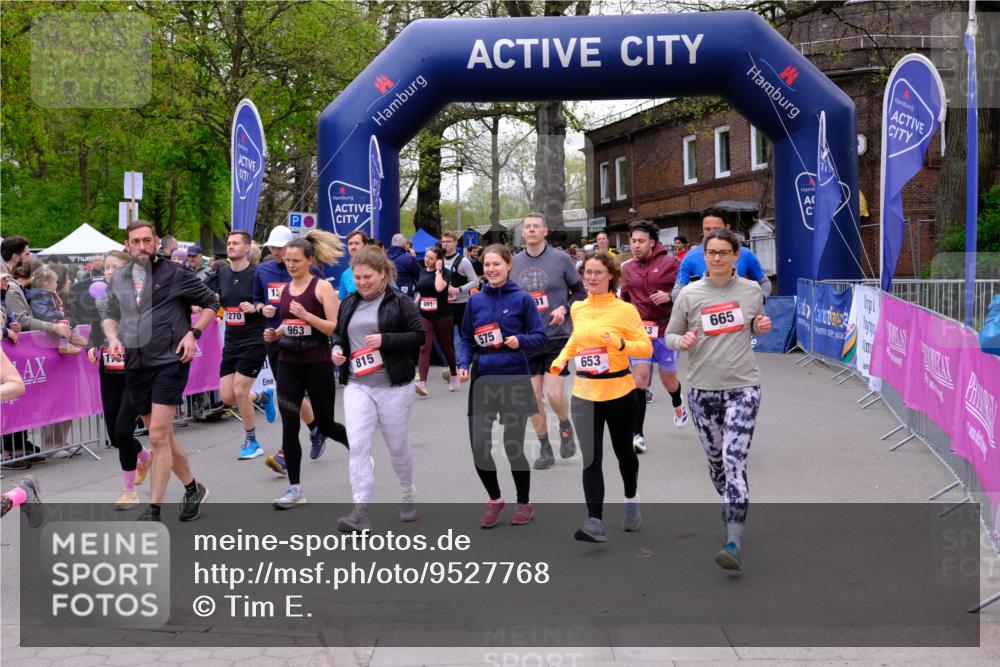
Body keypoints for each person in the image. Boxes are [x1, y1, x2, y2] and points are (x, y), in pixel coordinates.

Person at [665, 228, 771, 570]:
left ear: (735, 256)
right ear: (704, 256)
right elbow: (670, 335)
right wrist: (681, 342)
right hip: (701, 390)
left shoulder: (752, 291)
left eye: (724, 252)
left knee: (734, 458)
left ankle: (733, 540)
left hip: (743, 386)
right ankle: (730, 503)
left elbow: (753, 324)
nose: (718, 258)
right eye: (712, 252)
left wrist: (760, 327)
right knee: (717, 464)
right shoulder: (690, 295)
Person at [103, 221, 218, 522]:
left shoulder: (177, 274)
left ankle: (153, 509)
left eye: (147, 241)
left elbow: (210, 303)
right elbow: (110, 314)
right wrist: (113, 337)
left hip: (170, 361)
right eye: (135, 242)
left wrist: (193, 333)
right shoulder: (120, 279)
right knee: (164, 437)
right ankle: (193, 488)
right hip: (136, 364)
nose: (142, 247)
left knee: (156, 437)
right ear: (126, 245)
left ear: (156, 242)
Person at [551, 252, 652, 543]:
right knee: (591, 459)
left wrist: (620, 343)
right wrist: (560, 360)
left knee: (624, 455)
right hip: (584, 393)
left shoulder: (625, 310)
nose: (592, 277)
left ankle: (631, 497)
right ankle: (594, 520)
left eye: (598, 272)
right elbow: (576, 339)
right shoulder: (578, 308)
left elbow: (644, 348)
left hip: (619, 392)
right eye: (587, 273)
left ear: (611, 276)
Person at [332, 247, 425, 531]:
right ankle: (360, 512)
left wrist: (386, 340)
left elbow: (418, 336)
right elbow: (339, 333)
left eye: (367, 277)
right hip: (358, 384)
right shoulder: (349, 302)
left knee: (396, 447)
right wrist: (336, 349)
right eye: (357, 277)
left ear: (383, 275)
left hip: (393, 385)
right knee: (358, 445)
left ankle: (407, 492)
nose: (361, 282)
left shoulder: (400, 302)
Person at [458, 244, 547, 528]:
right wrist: (463, 363)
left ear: (509, 265)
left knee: (512, 446)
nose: (491, 269)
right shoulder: (475, 301)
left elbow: (540, 338)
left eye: (496, 264)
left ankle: (524, 502)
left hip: (513, 376)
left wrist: (520, 340)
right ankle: (495, 499)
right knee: (479, 445)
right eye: (486, 265)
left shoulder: (522, 300)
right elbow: (466, 338)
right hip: (483, 377)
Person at [264, 231, 350, 509]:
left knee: (325, 423)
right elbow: (288, 323)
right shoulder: (286, 290)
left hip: (317, 364)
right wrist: (275, 333)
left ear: (309, 260)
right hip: (288, 364)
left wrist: (308, 316)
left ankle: (358, 451)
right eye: (287, 260)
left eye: (296, 261)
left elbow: (335, 327)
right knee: (289, 424)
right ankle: (295, 490)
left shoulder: (321, 287)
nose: (290, 265)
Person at [511, 212, 587, 470]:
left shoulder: (561, 259)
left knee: (554, 393)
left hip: (556, 336)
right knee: (532, 397)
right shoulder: (514, 263)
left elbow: (579, 291)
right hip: (528, 339)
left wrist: (565, 308)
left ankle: (565, 426)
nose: (531, 230)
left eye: (536, 227)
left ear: (545, 231)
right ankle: (545, 448)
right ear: (523, 233)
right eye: (527, 227)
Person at [252, 225, 327, 471]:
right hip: (276, 339)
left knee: (293, 397)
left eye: (280, 247)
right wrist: (263, 308)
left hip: (308, 344)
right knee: (289, 397)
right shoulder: (262, 270)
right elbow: (257, 299)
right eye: (272, 248)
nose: (276, 252)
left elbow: (322, 304)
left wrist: (307, 316)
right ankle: (315, 429)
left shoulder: (310, 270)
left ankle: (293, 448)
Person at [84, 250, 152, 509]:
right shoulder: (101, 299)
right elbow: (94, 327)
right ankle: (144, 456)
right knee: (114, 436)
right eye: (107, 268)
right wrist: (92, 346)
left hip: (135, 370)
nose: (110, 272)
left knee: (124, 429)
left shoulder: (140, 297)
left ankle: (128, 491)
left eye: (115, 267)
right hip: (109, 369)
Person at [620, 220, 688, 454]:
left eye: (640, 241)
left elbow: (686, 292)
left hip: (665, 330)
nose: (636, 245)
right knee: (639, 381)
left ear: (652, 242)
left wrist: (669, 297)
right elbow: (625, 299)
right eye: (633, 241)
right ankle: (637, 434)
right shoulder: (627, 268)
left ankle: (678, 403)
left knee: (669, 381)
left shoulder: (671, 263)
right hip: (639, 333)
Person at [217, 231, 275, 460]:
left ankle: (251, 440)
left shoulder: (259, 273)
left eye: (235, 243)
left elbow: (271, 302)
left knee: (240, 390)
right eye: (229, 243)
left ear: (247, 248)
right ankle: (263, 397)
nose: (230, 247)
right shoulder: (222, 272)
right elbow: (221, 297)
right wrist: (215, 309)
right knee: (227, 398)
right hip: (231, 340)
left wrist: (255, 306)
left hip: (254, 338)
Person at [673, 208, 771, 299]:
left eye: (716, 229)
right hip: (705, 313)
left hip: (740, 312)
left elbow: (765, 283)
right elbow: (677, 291)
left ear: (727, 227)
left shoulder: (745, 254)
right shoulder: (691, 256)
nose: (711, 233)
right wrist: (693, 307)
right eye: (707, 229)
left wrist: (757, 301)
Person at [414, 246, 457, 396]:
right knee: (424, 347)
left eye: (431, 258)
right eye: (426, 256)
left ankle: (453, 373)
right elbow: (421, 289)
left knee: (446, 347)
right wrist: (415, 303)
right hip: (424, 314)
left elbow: (439, 288)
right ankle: (422, 383)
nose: (427, 260)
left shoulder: (445, 273)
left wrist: (438, 270)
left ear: (438, 260)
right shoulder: (422, 271)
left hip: (442, 315)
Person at [440, 232, 479, 384]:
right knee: (447, 338)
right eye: (443, 241)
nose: (445, 244)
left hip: (462, 304)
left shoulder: (463, 262)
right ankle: (453, 368)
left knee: (465, 336)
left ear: (455, 243)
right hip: (445, 305)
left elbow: (475, 282)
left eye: (448, 241)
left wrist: (459, 289)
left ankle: (467, 364)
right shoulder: (440, 261)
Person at [24, 266, 83, 354]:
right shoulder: (39, 296)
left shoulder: (45, 294)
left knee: (68, 321)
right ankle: (66, 344)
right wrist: (59, 314)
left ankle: (71, 341)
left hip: (50, 320)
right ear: (47, 284)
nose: (56, 284)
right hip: (46, 323)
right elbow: (43, 313)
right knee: (65, 322)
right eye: (55, 282)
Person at [338, 230, 368, 300]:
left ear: (365, 246)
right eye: (350, 244)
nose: (353, 247)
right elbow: (342, 302)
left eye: (357, 243)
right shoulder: (345, 275)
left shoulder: (377, 269)